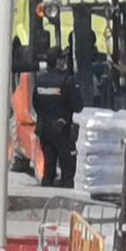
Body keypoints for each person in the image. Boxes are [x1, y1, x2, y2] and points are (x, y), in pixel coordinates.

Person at [32, 51, 85, 187]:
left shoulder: (40, 80)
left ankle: (46, 195)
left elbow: (35, 103)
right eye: (62, 59)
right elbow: (78, 106)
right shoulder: (66, 80)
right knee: (68, 169)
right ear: (57, 62)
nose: (65, 62)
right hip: (62, 131)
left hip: (44, 129)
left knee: (48, 168)